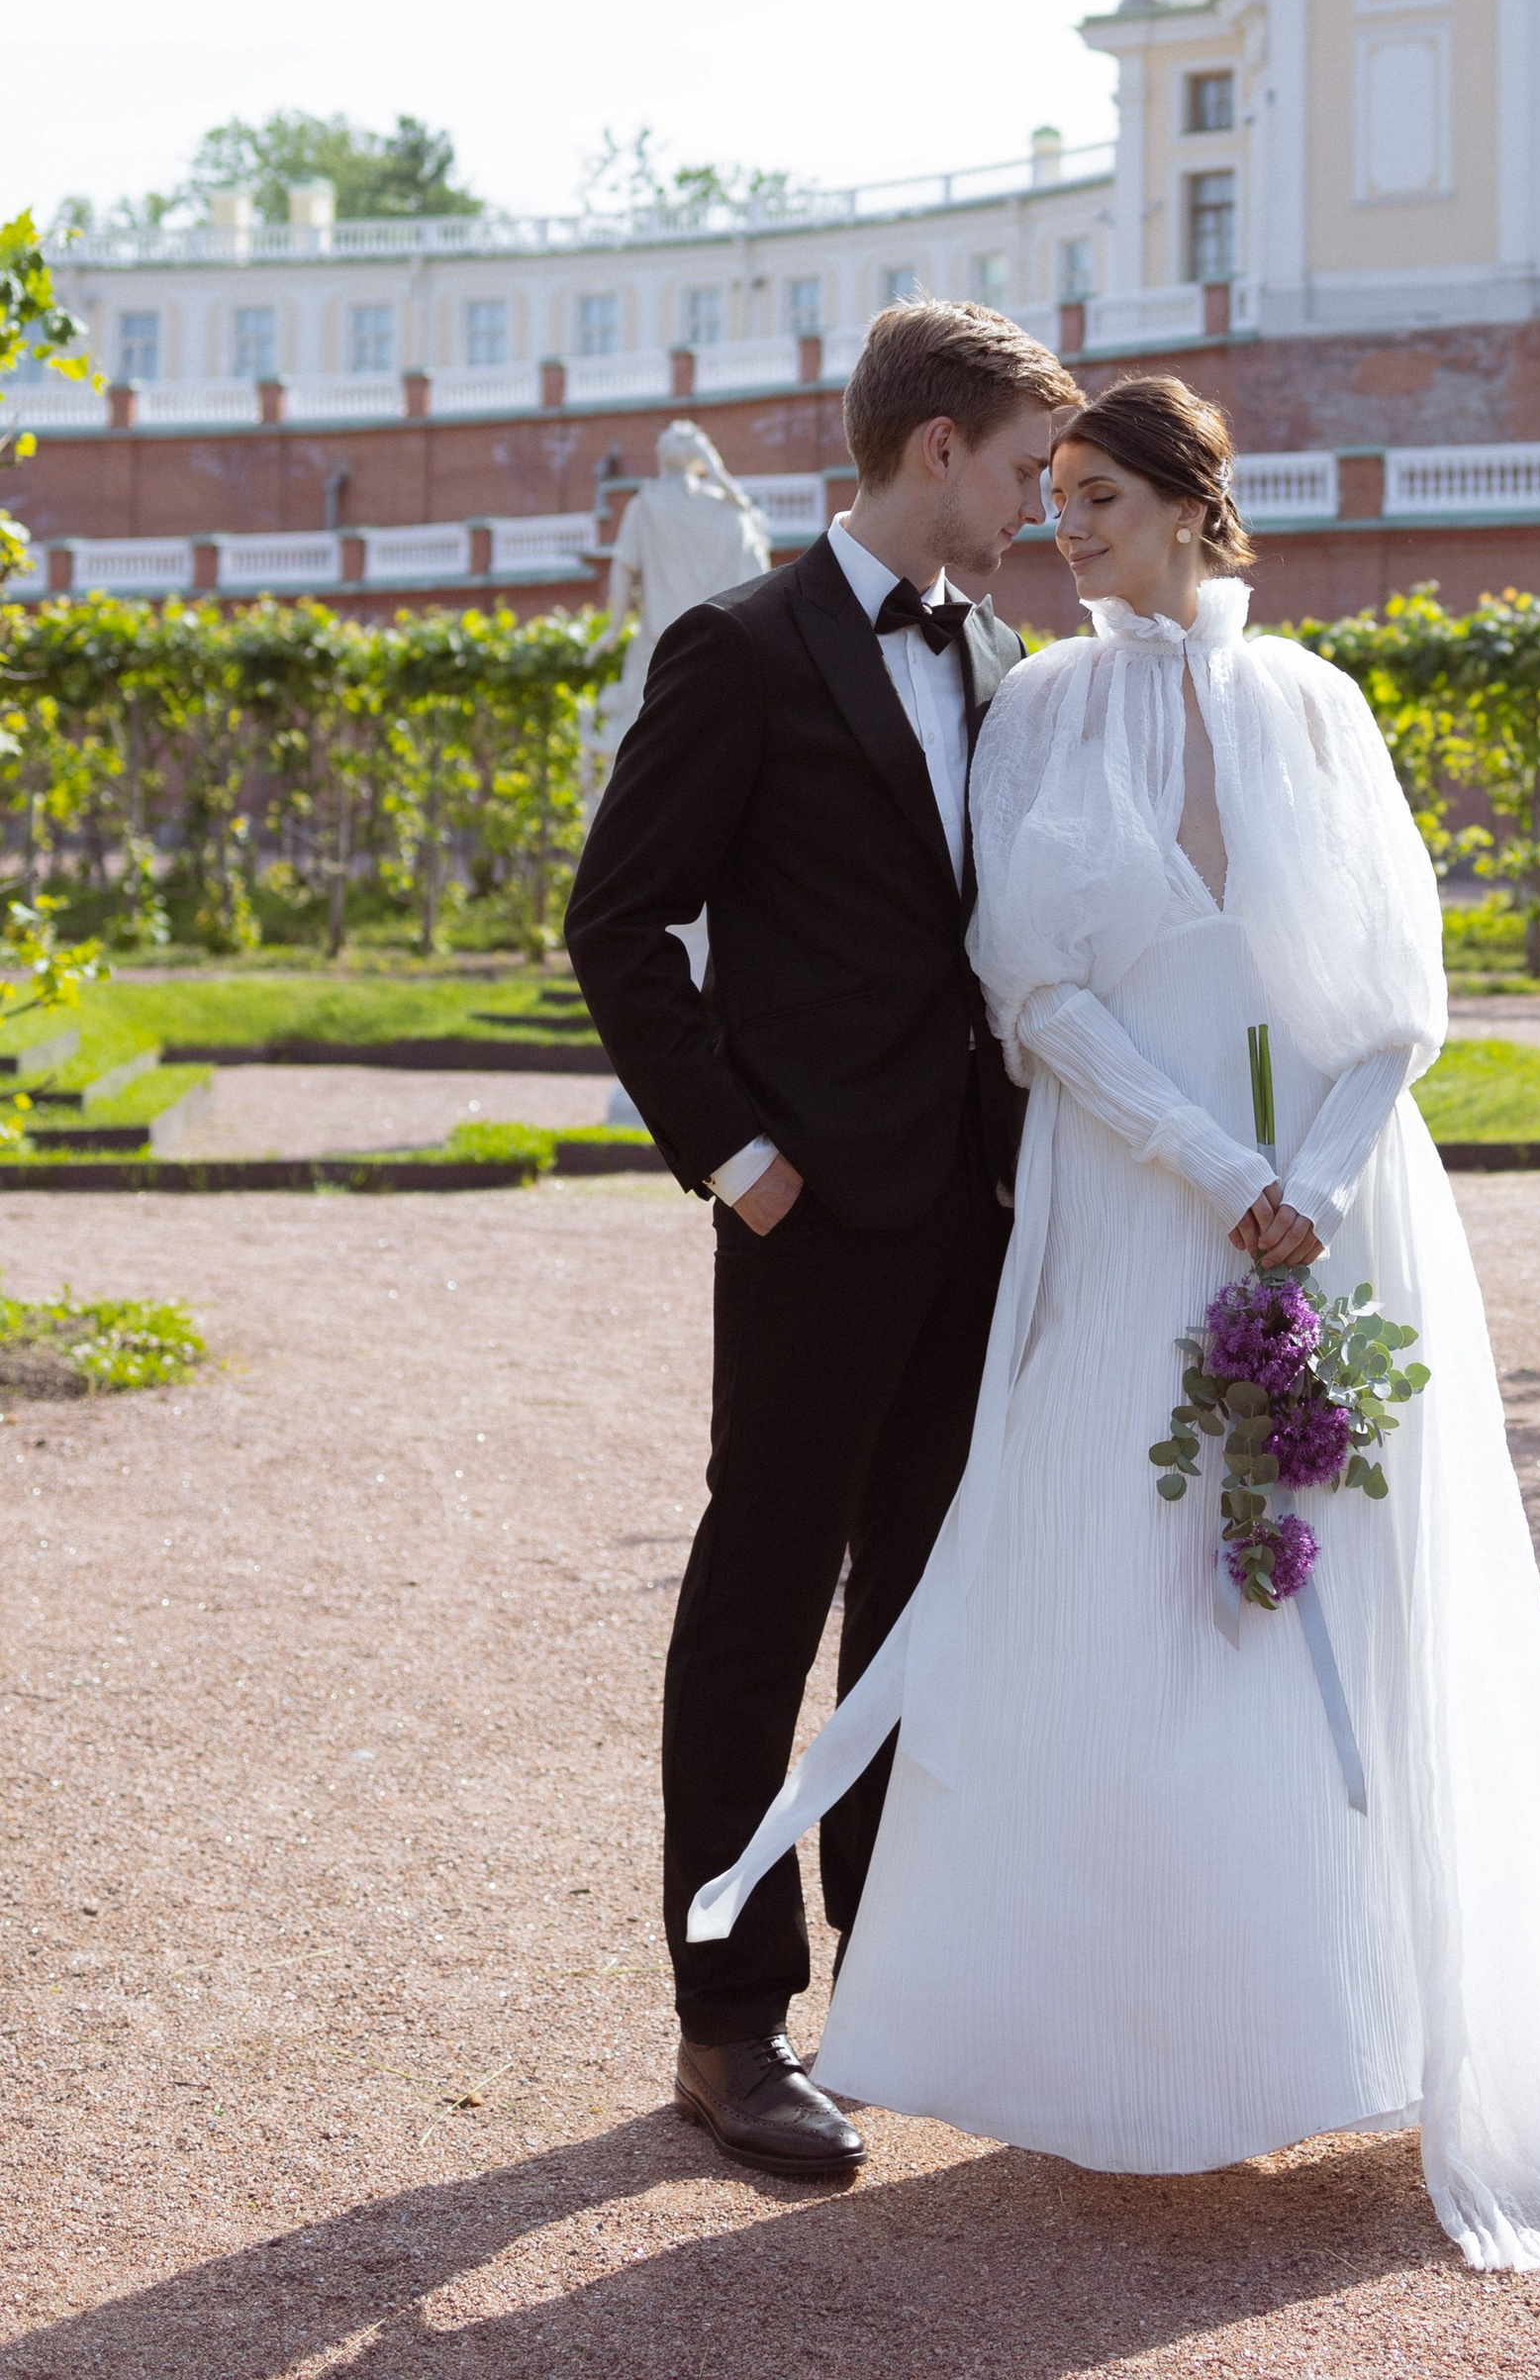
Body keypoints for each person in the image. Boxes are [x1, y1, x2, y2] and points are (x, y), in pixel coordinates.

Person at [691, 374, 1540, 2269]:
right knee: (1129, 1595)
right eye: (1054, 492)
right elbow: (1032, 989)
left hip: (1333, 1215)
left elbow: (1401, 995)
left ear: (1196, 501)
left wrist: (1315, 1184)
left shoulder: (1318, 703)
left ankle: (1336, 2020)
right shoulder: (1040, 705)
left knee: (1322, 1599)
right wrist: (1209, 1162)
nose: (1065, 526)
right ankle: (1125, 2045)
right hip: (1132, 1208)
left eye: (1100, 495)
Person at [565, 299, 1081, 2183]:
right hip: (809, 1215)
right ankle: (729, 2024)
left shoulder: (999, 652)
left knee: (918, 1606)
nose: (1037, 506)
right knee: (759, 1605)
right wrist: (736, 1155)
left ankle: (894, 1974)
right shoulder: (739, 647)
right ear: (936, 447)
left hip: (971, 1212)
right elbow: (618, 922)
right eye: (1022, 469)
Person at [593, 422, 773, 771]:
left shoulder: (645, 505)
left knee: (648, 761)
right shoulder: (732, 512)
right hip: (722, 659)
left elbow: (623, 567)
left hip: (659, 653)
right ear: (702, 459)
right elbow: (758, 580)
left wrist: (614, 629)